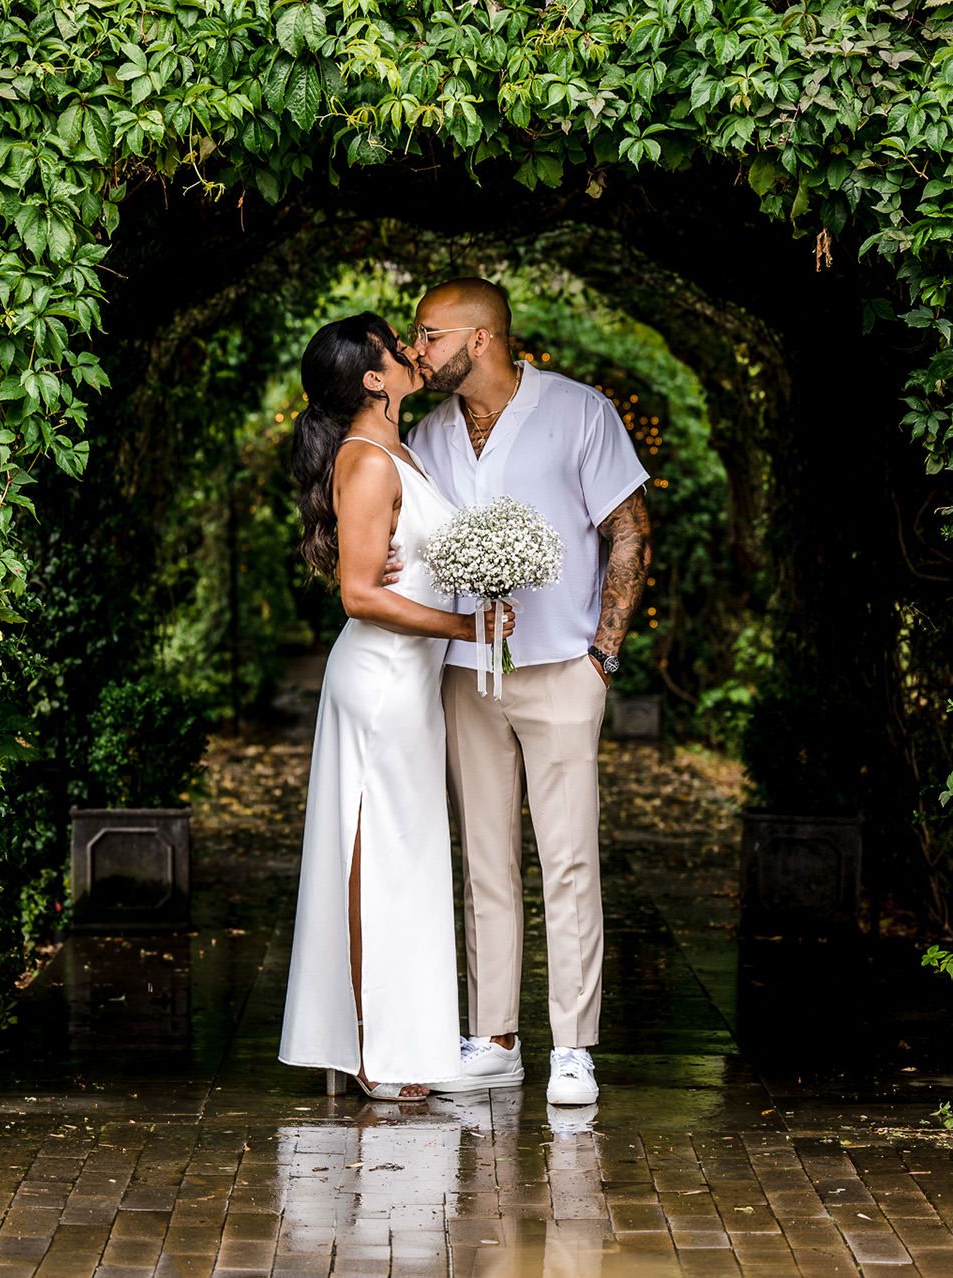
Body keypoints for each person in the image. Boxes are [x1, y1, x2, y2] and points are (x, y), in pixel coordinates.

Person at [405, 279, 652, 1106]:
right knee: (483, 861)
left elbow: (630, 530)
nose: (417, 350)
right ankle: (495, 1037)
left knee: (570, 857)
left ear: (480, 340)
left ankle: (574, 1048)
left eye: (429, 336)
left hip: (561, 671)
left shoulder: (581, 411)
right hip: (464, 674)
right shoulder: (429, 433)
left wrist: (602, 658)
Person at [277, 313, 514, 1101]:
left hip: (408, 684)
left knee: (402, 859)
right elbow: (358, 595)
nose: (415, 351)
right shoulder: (370, 462)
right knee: (371, 858)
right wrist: (462, 624)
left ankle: (381, 1040)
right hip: (380, 682)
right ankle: (372, 1051)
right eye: (398, 345)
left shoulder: (396, 450)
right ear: (374, 378)